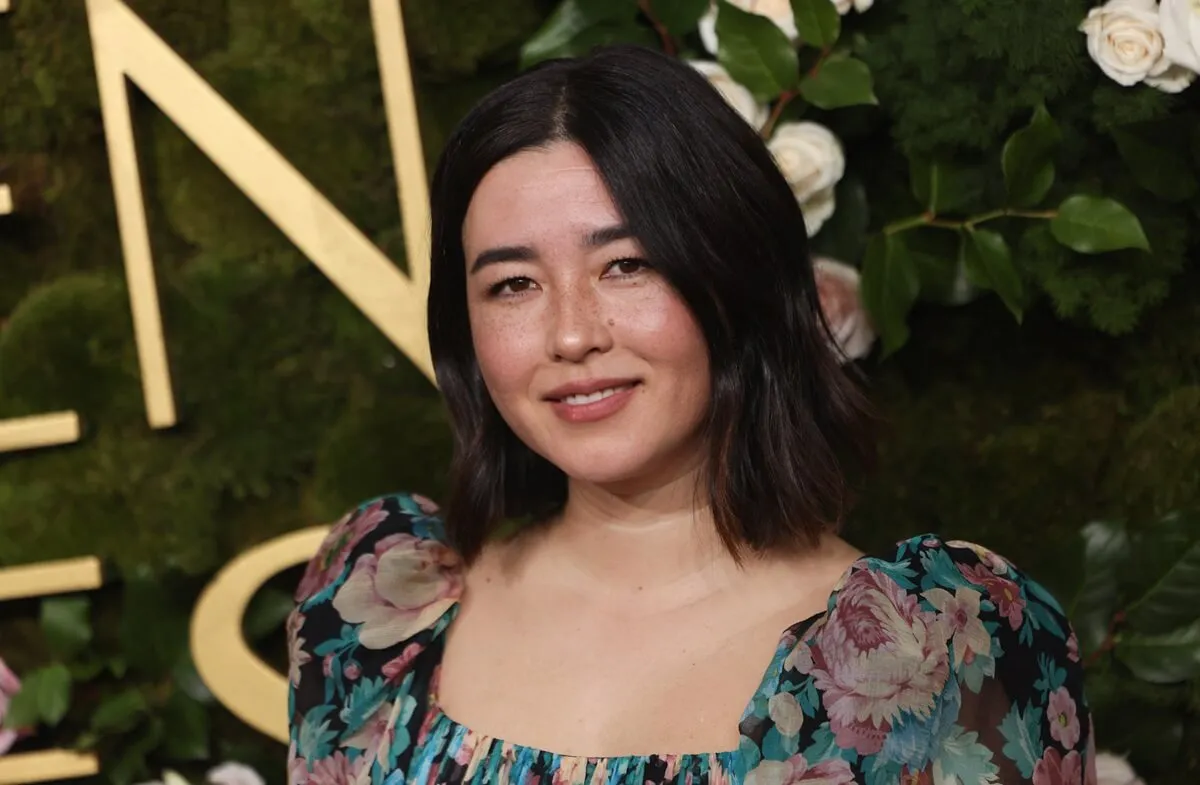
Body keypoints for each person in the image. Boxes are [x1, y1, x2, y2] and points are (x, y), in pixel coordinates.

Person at [286, 45, 1094, 785]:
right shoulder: (374, 616)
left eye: (627, 264)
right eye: (513, 284)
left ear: (736, 276)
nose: (571, 334)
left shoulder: (932, 652)